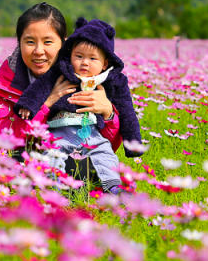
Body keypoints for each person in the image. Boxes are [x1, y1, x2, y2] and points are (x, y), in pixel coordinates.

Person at [14, 17, 142, 193]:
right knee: (51, 155)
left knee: (106, 155)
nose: (84, 62)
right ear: (70, 54)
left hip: (92, 134)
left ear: (105, 63)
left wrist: (133, 142)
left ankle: (114, 187)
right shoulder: (61, 71)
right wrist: (28, 104)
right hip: (60, 131)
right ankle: (52, 188)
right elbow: (41, 86)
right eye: (79, 56)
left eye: (92, 59)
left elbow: (127, 110)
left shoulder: (113, 80)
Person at [0, 3, 122, 160]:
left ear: (64, 43)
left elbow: (107, 148)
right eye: (30, 42)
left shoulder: (87, 75)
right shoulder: (4, 82)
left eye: (48, 42)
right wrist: (45, 105)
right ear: (19, 42)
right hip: (24, 169)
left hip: (77, 169)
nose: (38, 51)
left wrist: (108, 114)